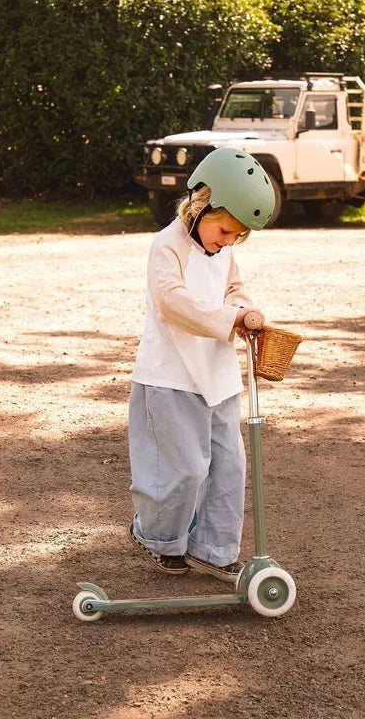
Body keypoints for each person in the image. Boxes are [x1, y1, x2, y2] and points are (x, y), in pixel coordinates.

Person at [128, 147, 277, 583]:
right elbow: (171, 301)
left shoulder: (224, 251)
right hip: (170, 377)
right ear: (200, 204)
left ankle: (213, 548)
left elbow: (236, 289)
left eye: (237, 236)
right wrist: (227, 318)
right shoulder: (166, 246)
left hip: (217, 376)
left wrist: (245, 310)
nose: (228, 240)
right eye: (225, 229)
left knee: (228, 467)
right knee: (184, 468)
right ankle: (157, 537)